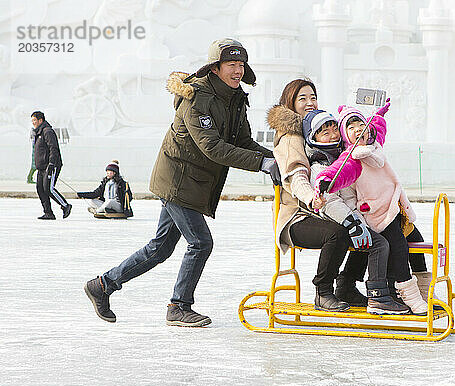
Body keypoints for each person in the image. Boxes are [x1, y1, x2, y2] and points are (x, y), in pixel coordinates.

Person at [84, 38, 280, 326]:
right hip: (178, 180)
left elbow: (243, 141)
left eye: (241, 65)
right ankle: (179, 306)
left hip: (193, 181)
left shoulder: (235, 98)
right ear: (215, 68)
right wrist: (263, 164)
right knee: (200, 243)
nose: (238, 71)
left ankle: (102, 285)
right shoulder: (197, 97)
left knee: (160, 248)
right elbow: (211, 146)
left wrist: (280, 158)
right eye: (231, 65)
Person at [314, 102, 429, 314]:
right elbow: (339, 172)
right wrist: (325, 180)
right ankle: (410, 295)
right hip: (377, 213)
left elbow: (379, 127)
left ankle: (424, 291)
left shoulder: (375, 144)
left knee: (417, 242)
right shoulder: (352, 157)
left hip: (395, 208)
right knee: (399, 246)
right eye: (351, 128)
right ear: (345, 137)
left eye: (360, 124)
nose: (358, 130)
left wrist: (379, 114)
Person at [268, 79, 352, 312]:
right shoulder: (291, 137)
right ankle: (323, 292)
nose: (309, 103)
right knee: (338, 233)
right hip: (297, 217)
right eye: (302, 98)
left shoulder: (316, 129)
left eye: (313, 97)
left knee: (365, 227)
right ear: (291, 102)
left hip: (321, 209)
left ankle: (348, 284)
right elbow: (297, 178)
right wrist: (311, 197)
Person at [31, 111, 72, 220]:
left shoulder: (47, 131)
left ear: (41, 120)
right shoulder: (38, 133)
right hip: (41, 167)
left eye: (35, 120)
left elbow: (53, 148)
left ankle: (65, 205)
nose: (33, 123)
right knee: (40, 188)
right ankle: (48, 212)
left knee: (48, 188)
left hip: (50, 165)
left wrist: (51, 164)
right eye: (32, 121)